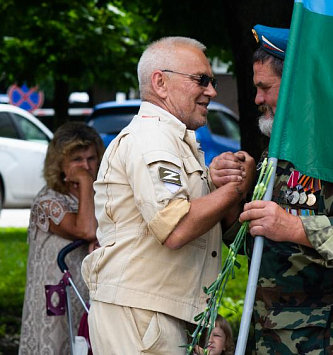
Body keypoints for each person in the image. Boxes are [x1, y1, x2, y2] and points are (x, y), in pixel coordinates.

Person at [212, 25, 333, 354]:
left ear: (296, 85)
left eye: (265, 87)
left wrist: (292, 226)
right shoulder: (279, 152)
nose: (257, 99)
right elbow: (258, 246)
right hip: (275, 338)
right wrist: (232, 196)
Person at [81, 36, 255, 354]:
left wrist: (217, 184)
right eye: (201, 80)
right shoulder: (151, 139)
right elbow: (176, 228)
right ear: (160, 82)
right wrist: (236, 188)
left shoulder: (173, 139)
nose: (212, 91)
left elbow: (192, 215)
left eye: (213, 81)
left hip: (156, 313)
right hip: (142, 317)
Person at [19, 122, 104, 355]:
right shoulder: (47, 201)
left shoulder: (103, 197)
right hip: (55, 298)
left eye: (91, 158)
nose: (86, 167)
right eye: (77, 159)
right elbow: (85, 230)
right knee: (57, 345)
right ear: (60, 165)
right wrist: (86, 183)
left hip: (84, 293)